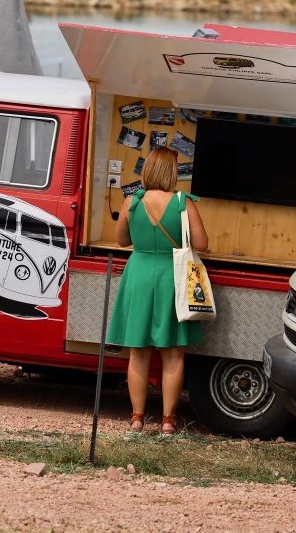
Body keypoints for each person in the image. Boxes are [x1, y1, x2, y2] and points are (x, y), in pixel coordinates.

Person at [106, 147, 209, 435]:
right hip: (171, 277)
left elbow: (121, 241)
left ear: (148, 170)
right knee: (173, 354)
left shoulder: (131, 202)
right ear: (172, 173)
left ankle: (137, 419)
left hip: (138, 274)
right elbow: (201, 243)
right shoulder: (183, 203)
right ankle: (167, 422)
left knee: (138, 354)